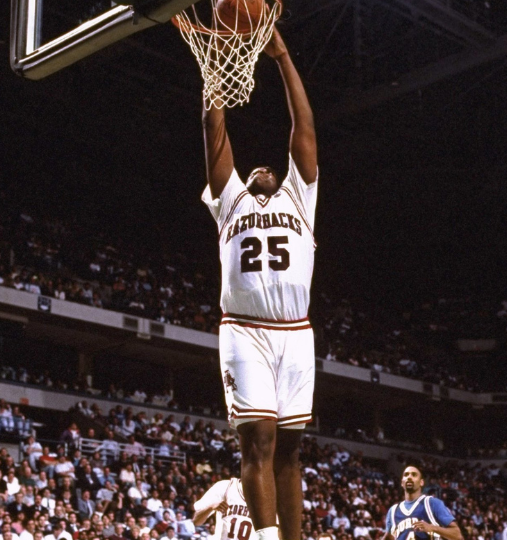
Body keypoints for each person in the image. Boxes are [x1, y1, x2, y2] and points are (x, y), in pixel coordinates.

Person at [200, 28, 318, 540]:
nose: (263, 166)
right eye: (256, 167)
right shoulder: (230, 200)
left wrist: (283, 56)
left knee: (291, 450)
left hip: (297, 332)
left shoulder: (300, 196)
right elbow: (214, 130)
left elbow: (305, 129)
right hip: (245, 330)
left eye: (272, 165)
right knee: (260, 443)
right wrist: (216, 65)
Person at [383, 466, 462, 540]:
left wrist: (433, 528)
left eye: (414, 475)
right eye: (406, 475)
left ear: (421, 482)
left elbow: (458, 535)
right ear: (402, 483)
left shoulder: (432, 503)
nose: (409, 477)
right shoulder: (393, 511)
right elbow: (388, 537)